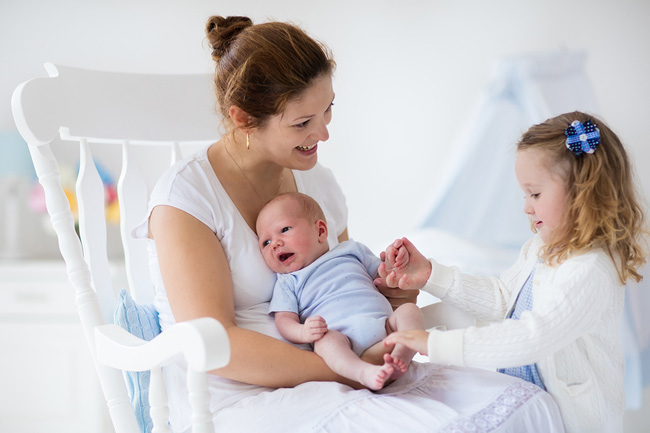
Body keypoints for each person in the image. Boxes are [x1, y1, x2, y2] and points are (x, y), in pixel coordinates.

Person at [132, 15, 564, 432]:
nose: (323, 134)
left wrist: (395, 292)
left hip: (350, 364)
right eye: (302, 122)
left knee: (528, 408)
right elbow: (218, 344)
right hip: (243, 393)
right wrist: (344, 368)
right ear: (243, 118)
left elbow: (344, 286)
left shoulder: (317, 184)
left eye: (327, 110)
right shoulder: (186, 201)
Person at [381, 111, 647, 433]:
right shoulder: (540, 247)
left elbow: (534, 336)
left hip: (574, 421)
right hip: (529, 400)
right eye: (525, 194)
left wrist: (435, 344)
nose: (526, 206)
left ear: (583, 193)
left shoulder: (590, 270)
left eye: (535, 194)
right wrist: (430, 275)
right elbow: (503, 298)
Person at [256, 192, 424, 390]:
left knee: (410, 311)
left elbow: (384, 276)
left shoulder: (351, 251)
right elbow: (284, 320)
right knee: (325, 344)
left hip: (385, 326)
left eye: (284, 229)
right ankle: (363, 372)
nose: (275, 243)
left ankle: (402, 352)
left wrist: (395, 262)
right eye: (265, 242)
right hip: (342, 339)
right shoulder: (287, 281)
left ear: (320, 231)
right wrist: (303, 332)